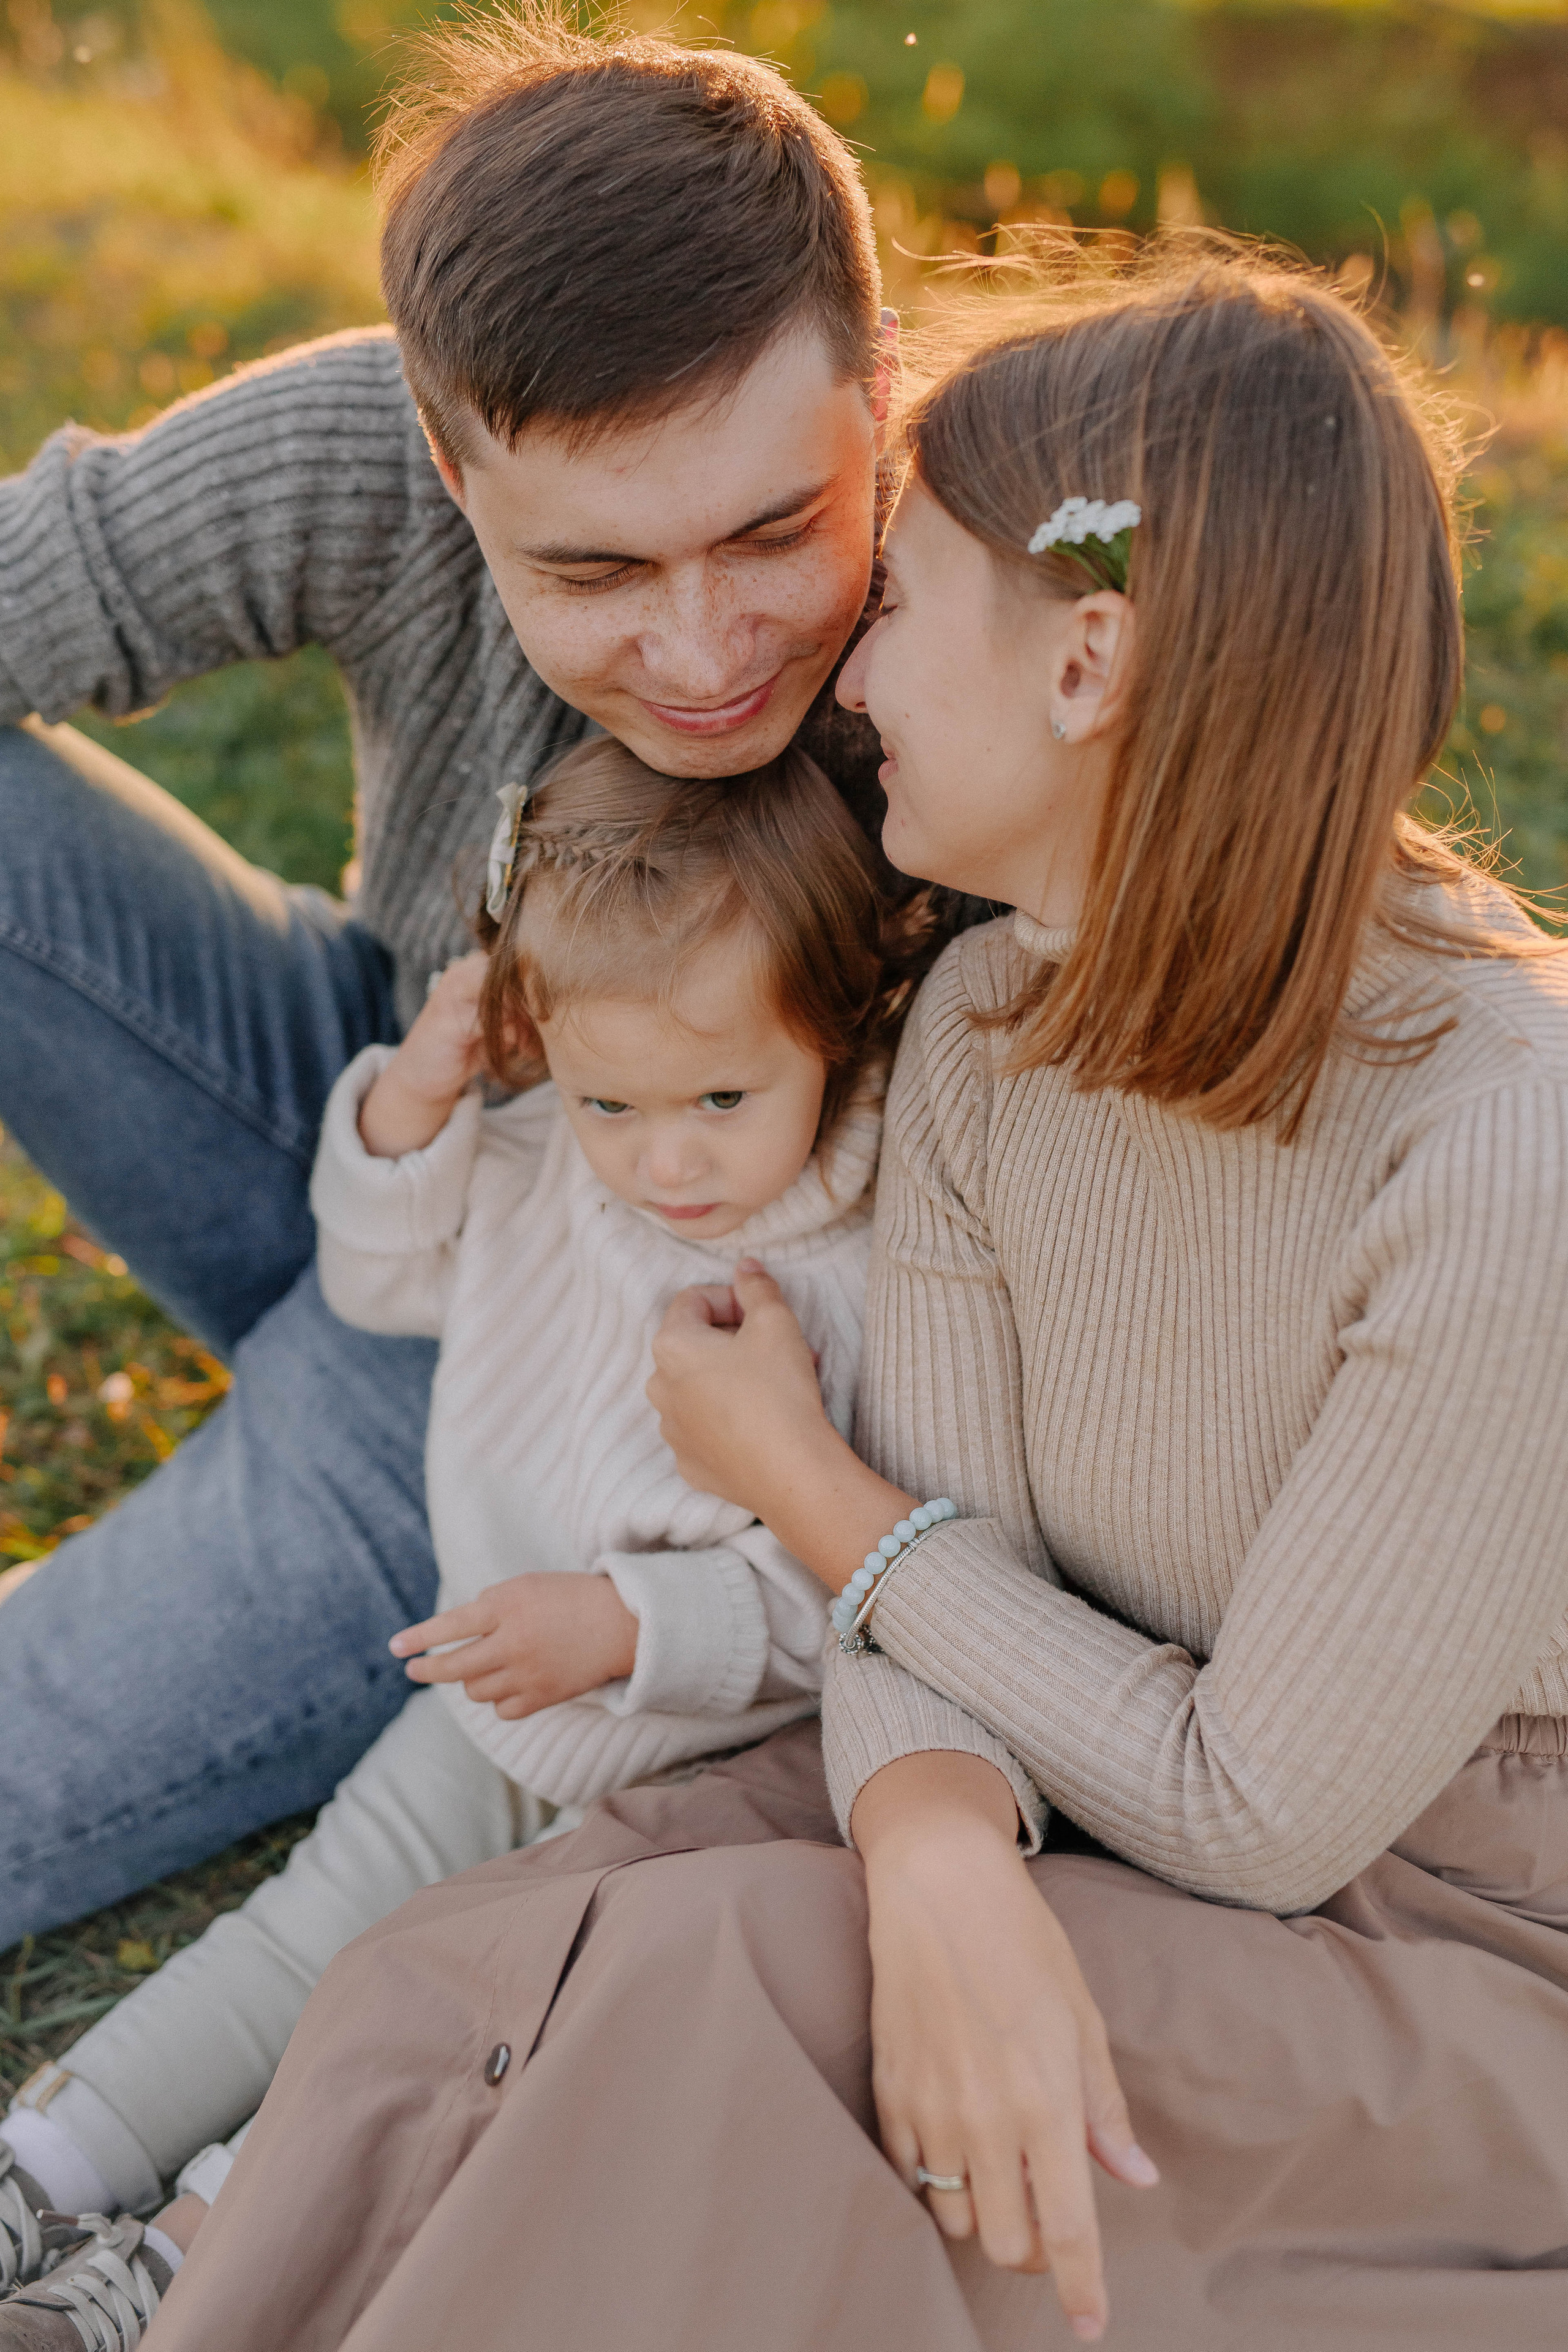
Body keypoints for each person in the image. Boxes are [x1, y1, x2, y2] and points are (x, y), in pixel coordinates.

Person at [130, 247, 1568, 2352]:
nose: (848, 673)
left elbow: (1249, 1801)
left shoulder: (1501, 1153)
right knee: (508, 1926)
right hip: (1075, 1766)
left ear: (1088, 665)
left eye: (896, 599)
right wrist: (931, 1843)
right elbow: (940, 1558)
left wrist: (818, 1501)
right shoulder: (989, 1019)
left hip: (1431, 1931)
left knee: (710, 2006)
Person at [0, 6, 920, 1952]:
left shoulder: (990, 626)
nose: (702, 653)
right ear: (449, 459)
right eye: (593, 573)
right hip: (367, 1091)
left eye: (776, 531)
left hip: (547, 1371)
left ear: (878, 389)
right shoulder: (368, 447)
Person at [0, 737, 923, 2331]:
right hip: (497, 1699)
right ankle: (52, 2154)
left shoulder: (859, 1265)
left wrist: (634, 1624)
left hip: (698, 1774)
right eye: (613, 1100)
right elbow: (378, 1277)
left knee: (432, 2017)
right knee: (299, 1930)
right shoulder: (547, 1160)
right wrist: (416, 1102)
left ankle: (172, 2270)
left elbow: (857, 1577)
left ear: (831, 1034)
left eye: (723, 1095)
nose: (667, 1159)